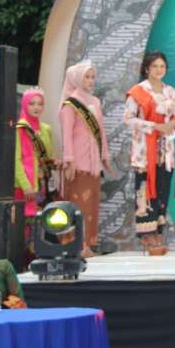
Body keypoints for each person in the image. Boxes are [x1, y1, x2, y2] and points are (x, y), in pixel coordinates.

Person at [124, 51, 175, 256]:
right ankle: (146, 237)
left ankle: (158, 233)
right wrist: (155, 126)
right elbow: (129, 119)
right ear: (147, 68)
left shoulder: (171, 92)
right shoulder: (138, 91)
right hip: (144, 153)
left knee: (162, 192)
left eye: (162, 66)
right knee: (144, 193)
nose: (159, 70)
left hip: (165, 152)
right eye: (155, 66)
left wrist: (171, 126)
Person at [59, 61, 111, 258]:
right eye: (86, 77)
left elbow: (101, 132)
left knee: (91, 204)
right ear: (76, 79)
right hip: (78, 162)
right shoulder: (70, 104)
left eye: (92, 77)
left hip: (94, 162)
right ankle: (75, 245)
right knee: (78, 204)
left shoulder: (95, 102)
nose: (90, 81)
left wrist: (104, 155)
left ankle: (88, 244)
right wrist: (69, 160)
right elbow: (67, 135)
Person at [15, 88, 57, 261]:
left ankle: (39, 256)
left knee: (42, 220)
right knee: (25, 223)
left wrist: (56, 162)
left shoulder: (46, 129)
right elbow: (16, 160)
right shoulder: (20, 129)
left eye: (40, 104)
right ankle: (23, 260)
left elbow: (47, 157)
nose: (36, 107)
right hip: (26, 184)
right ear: (25, 105)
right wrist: (25, 185)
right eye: (32, 103)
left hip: (43, 183)